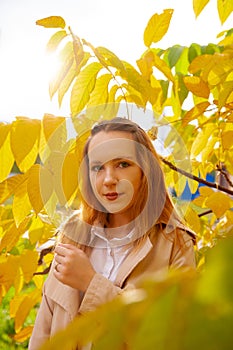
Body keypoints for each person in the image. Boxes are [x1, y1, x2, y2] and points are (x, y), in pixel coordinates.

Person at [29, 117, 196, 349]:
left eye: (123, 164)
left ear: (145, 171)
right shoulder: (73, 235)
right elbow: (43, 334)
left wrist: (91, 283)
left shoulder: (175, 243)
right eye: (98, 167)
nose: (109, 179)